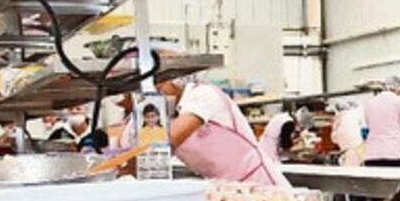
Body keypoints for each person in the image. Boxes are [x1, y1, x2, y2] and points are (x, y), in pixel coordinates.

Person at [122, 73, 290, 187]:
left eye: (159, 85)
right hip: (223, 190)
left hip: (259, 183)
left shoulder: (203, 95)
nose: (154, 93)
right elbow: (135, 150)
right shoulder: (164, 114)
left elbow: (167, 141)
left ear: (174, 81)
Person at [330, 99, 365, 167]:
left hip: (352, 148)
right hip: (355, 148)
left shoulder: (341, 117)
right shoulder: (358, 112)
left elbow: (334, 138)